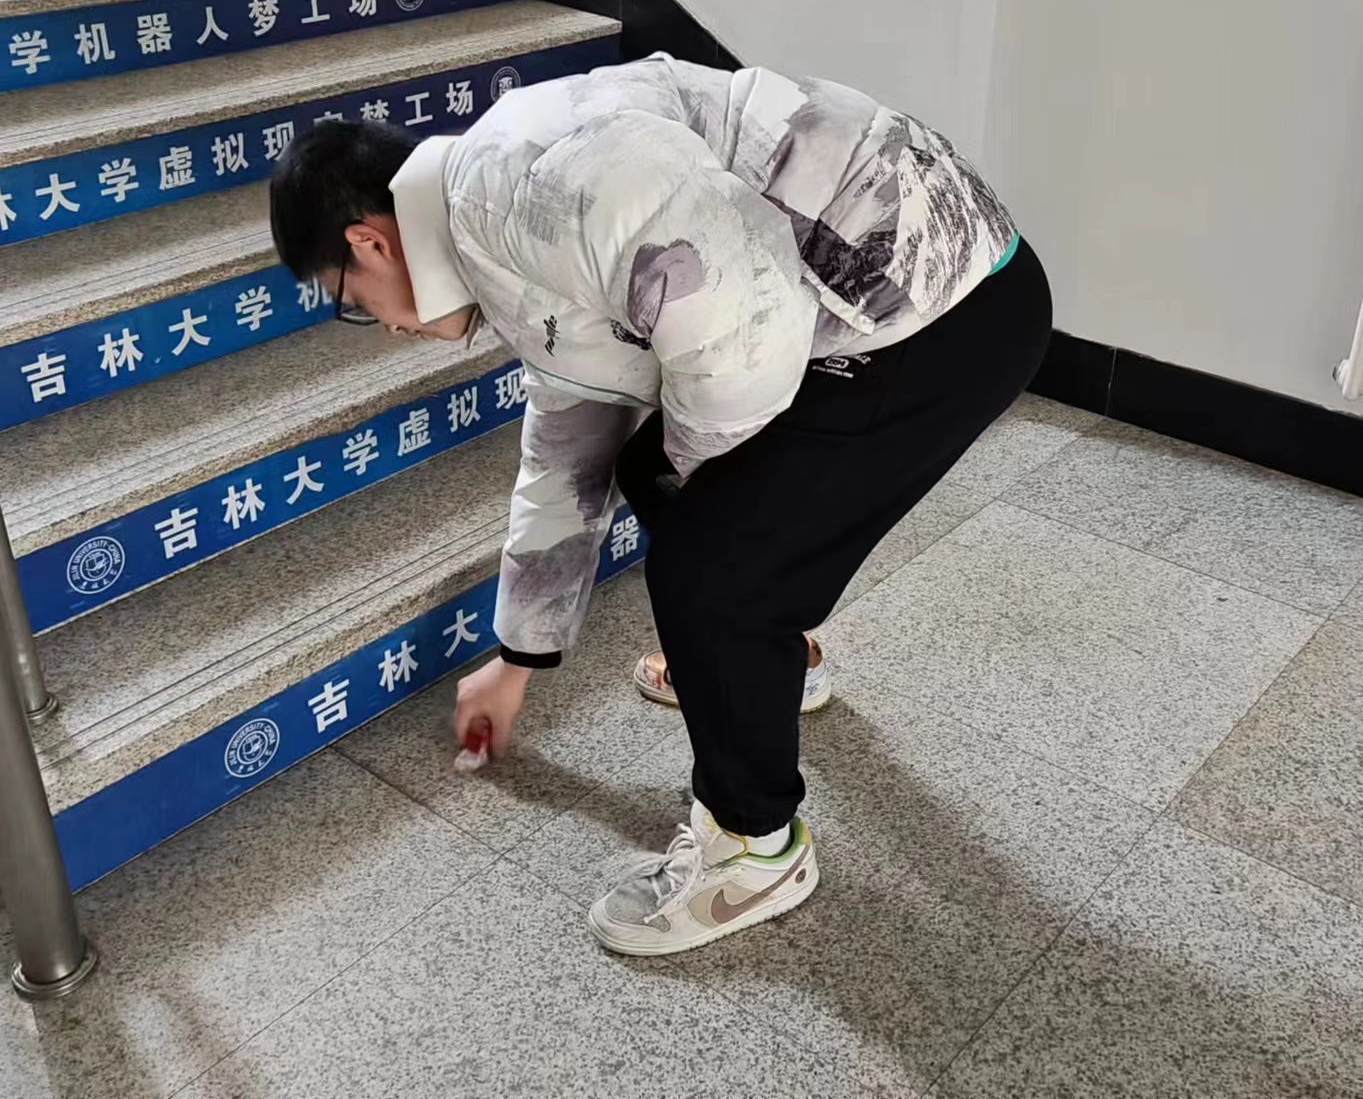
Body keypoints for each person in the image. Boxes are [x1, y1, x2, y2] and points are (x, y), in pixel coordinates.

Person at [268, 53, 1052, 955]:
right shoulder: (490, 226)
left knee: (712, 573)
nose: (389, 327)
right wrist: (516, 661)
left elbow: (742, 330)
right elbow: (569, 449)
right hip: (897, 297)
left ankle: (753, 848)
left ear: (369, 243)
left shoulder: (517, 187)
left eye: (352, 303)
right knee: (658, 473)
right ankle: (769, 669)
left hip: (937, 305)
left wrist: (717, 521)